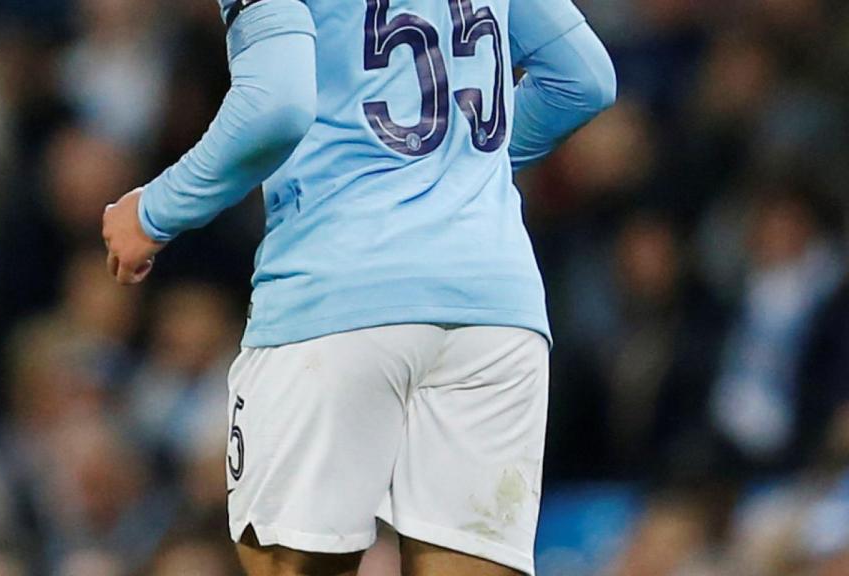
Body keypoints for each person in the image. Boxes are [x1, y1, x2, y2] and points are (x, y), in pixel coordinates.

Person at [102, 0, 615, 574]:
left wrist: (154, 210)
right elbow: (582, 77)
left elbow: (276, 103)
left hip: (336, 295)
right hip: (495, 308)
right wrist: (456, 168)